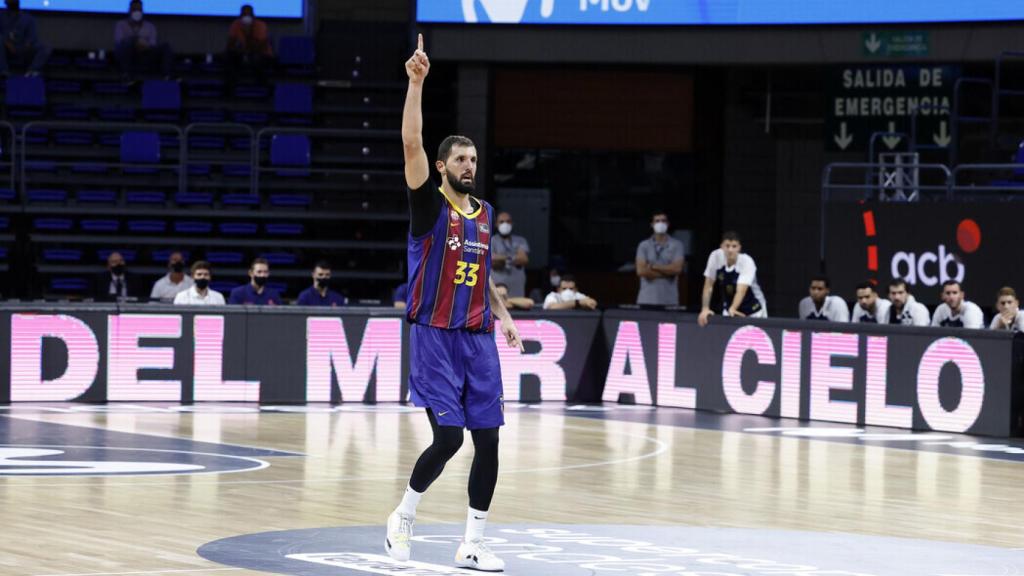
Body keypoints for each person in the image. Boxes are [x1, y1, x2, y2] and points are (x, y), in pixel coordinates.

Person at [385, 34, 523, 573]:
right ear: (442, 167)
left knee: (487, 443)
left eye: (473, 158)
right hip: (434, 335)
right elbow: (411, 144)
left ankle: (472, 542)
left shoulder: (485, 212)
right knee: (448, 437)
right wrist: (417, 83)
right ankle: (403, 516)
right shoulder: (428, 206)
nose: (469, 164)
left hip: (478, 337)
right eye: (459, 159)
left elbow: (482, 271)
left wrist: (505, 315)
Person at [698, 231, 767, 327]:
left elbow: (741, 290)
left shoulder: (747, 262)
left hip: (754, 309)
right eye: (727, 246)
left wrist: (733, 308)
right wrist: (705, 308)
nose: (730, 250)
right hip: (730, 309)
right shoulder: (715, 257)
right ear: (721, 246)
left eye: (734, 246)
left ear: (739, 248)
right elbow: (708, 285)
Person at [114, 0, 173, 80]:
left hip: (146, 54)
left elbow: (153, 43)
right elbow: (119, 41)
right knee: (129, 43)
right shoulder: (120, 24)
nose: (137, 12)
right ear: (129, 11)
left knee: (166, 46)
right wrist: (135, 41)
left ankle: (166, 76)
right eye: (134, 10)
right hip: (128, 54)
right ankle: (126, 74)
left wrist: (144, 45)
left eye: (139, 10)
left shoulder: (150, 26)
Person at [635, 212, 685, 306]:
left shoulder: (677, 245)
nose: (660, 223)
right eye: (657, 221)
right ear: (652, 224)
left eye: (663, 221)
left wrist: (653, 267)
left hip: (669, 300)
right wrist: (668, 273)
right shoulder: (644, 245)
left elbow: (677, 269)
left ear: (668, 224)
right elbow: (641, 271)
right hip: (646, 299)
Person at [0, 0, 50, 78]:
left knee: (45, 47)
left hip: (23, 49)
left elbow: (31, 37)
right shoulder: (1, 16)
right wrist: (7, 43)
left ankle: (32, 71)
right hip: (6, 50)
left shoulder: (27, 18)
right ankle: (3, 71)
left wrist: (25, 47)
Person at [225, 4, 272, 83]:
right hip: (241, 53)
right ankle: (230, 88)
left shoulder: (261, 25)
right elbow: (230, 44)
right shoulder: (236, 24)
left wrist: (248, 33)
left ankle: (262, 86)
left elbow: (260, 46)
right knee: (229, 58)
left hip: (260, 54)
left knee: (257, 60)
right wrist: (235, 47)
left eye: (248, 14)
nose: (246, 17)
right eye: (244, 14)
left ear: (253, 15)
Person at [490, 211, 530, 298]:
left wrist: (502, 259)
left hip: (517, 284)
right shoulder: (491, 240)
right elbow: (492, 261)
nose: (505, 224)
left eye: (508, 221)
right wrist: (513, 258)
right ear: (496, 224)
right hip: (498, 283)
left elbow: (523, 259)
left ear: (512, 223)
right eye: (502, 222)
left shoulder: (520, 240)